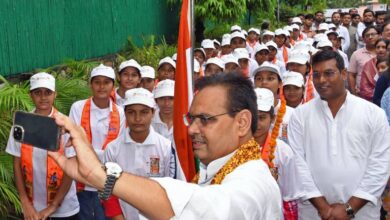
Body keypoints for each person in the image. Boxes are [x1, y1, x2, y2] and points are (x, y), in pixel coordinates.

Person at [48, 73, 282, 219]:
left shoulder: (253, 182)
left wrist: (99, 175)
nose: (191, 129)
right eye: (191, 119)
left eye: (206, 119)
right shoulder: (218, 168)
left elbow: (205, 209)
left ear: (241, 123)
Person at [288, 50, 390, 219]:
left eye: (329, 73)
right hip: (314, 213)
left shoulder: (373, 114)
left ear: (343, 74)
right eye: (317, 75)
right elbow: (298, 165)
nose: (321, 80)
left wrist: (350, 209)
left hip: (361, 213)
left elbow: (381, 164)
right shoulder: (300, 116)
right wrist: (323, 208)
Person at [6, 72, 80, 219]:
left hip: (64, 208)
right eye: (37, 92)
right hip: (32, 208)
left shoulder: (66, 125)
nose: (43, 97)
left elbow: (70, 169)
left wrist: (53, 206)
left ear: (55, 94)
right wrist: (25, 202)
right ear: (30, 95)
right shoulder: (21, 125)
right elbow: (17, 164)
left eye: (48, 92)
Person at [103, 88, 174, 220]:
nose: (137, 118)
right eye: (131, 112)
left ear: (153, 113)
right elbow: (107, 190)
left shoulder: (166, 147)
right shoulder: (112, 149)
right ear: (124, 113)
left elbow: (172, 190)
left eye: (144, 112)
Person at [69, 64, 126, 219]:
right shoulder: (77, 108)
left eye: (106, 82)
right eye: (97, 82)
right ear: (91, 85)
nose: (101, 86)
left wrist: (87, 152)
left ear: (113, 86)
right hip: (82, 181)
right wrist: (98, 154)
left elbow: (117, 150)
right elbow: (72, 143)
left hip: (108, 182)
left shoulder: (121, 113)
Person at [254, 88, 304, 220]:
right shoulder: (234, 147)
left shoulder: (283, 151)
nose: (256, 124)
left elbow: (290, 195)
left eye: (262, 118)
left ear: (272, 119)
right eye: (253, 117)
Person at [253, 62, 294, 143]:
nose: (264, 82)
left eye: (270, 78)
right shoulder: (247, 113)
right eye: (259, 78)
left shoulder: (292, 115)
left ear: (280, 83)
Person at [348, 26, 379, 96]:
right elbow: (351, 75)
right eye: (367, 35)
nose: (370, 37)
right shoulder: (356, 54)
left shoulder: (384, 52)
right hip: (362, 94)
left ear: (379, 36)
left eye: (373, 34)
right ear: (363, 39)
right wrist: (354, 93)